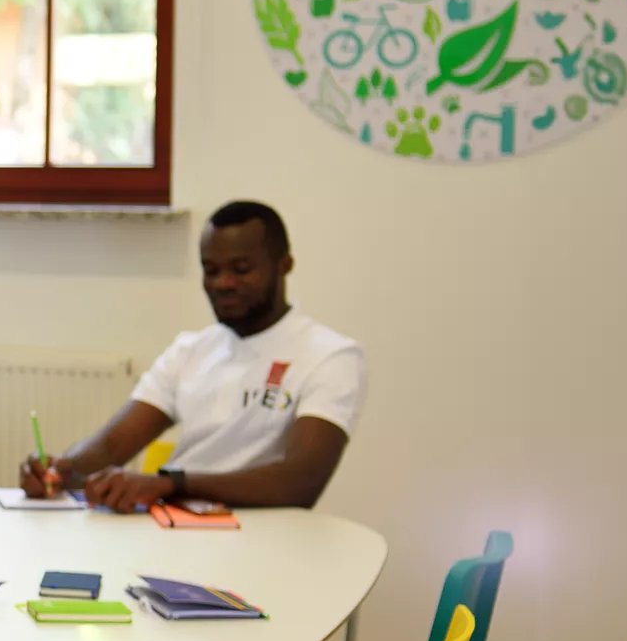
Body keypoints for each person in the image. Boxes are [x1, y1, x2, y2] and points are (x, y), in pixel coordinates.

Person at [18, 201, 366, 513]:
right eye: (211, 270)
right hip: (175, 529)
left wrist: (171, 483)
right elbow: (110, 447)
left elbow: (301, 481)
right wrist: (60, 470)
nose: (223, 283)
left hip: (263, 541)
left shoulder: (330, 355)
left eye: (241, 269)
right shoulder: (190, 350)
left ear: (284, 266)